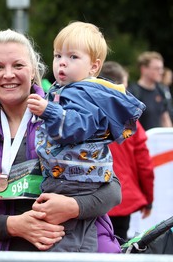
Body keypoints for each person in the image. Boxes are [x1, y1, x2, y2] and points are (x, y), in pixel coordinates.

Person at [0, 28, 122, 253]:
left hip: (82, 251)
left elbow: (112, 190)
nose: (8, 74)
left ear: (34, 70)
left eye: (18, 65)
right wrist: (15, 226)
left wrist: (73, 206)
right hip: (7, 255)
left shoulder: (66, 116)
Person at [27, 21, 145, 252]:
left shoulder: (85, 93)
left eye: (73, 57)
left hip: (74, 180)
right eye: (58, 55)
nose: (62, 62)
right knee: (83, 238)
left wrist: (47, 111)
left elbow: (79, 125)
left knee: (64, 242)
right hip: (72, 178)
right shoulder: (68, 90)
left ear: (94, 66)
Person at [100, 61, 154, 242]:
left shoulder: (82, 117)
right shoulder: (132, 123)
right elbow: (145, 165)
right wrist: (148, 199)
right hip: (122, 198)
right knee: (120, 245)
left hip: (90, 199)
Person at [128, 51, 172, 130]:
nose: (161, 72)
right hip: (141, 140)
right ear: (144, 69)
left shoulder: (161, 91)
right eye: (157, 68)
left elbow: (165, 118)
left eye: (161, 68)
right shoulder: (133, 92)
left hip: (158, 140)